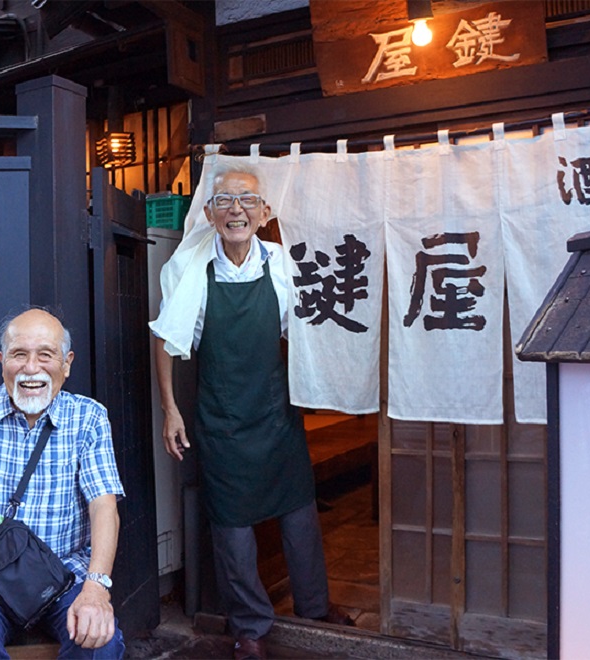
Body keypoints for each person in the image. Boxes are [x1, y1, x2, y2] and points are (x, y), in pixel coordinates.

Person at [151, 167, 354, 660]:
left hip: (275, 412)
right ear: (208, 214)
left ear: (265, 213)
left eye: (247, 200)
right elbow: (165, 339)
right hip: (221, 419)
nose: (235, 209)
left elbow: (312, 331)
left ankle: (314, 606)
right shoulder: (193, 269)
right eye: (224, 200)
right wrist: (171, 410)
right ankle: (250, 628)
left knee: (299, 512)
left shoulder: (284, 265)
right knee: (233, 526)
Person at [0, 307, 125, 660]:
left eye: (45, 355)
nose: (31, 368)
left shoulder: (89, 417)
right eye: (19, 354)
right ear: (2, 361)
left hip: (63, 576)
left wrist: (96, 587)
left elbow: (103, 505)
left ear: (67, 363)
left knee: (100, 645)